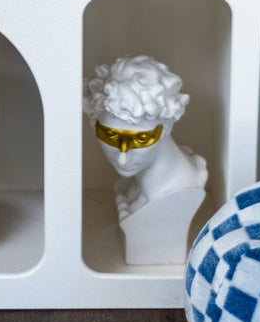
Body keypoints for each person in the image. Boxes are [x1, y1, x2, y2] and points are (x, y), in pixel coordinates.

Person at [82, 55, 207, 261]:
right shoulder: (132, 185)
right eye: (110, 136)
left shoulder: (181, 191)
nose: (122, 158)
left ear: (166, 127)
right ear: (94, 122)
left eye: (141, 139)